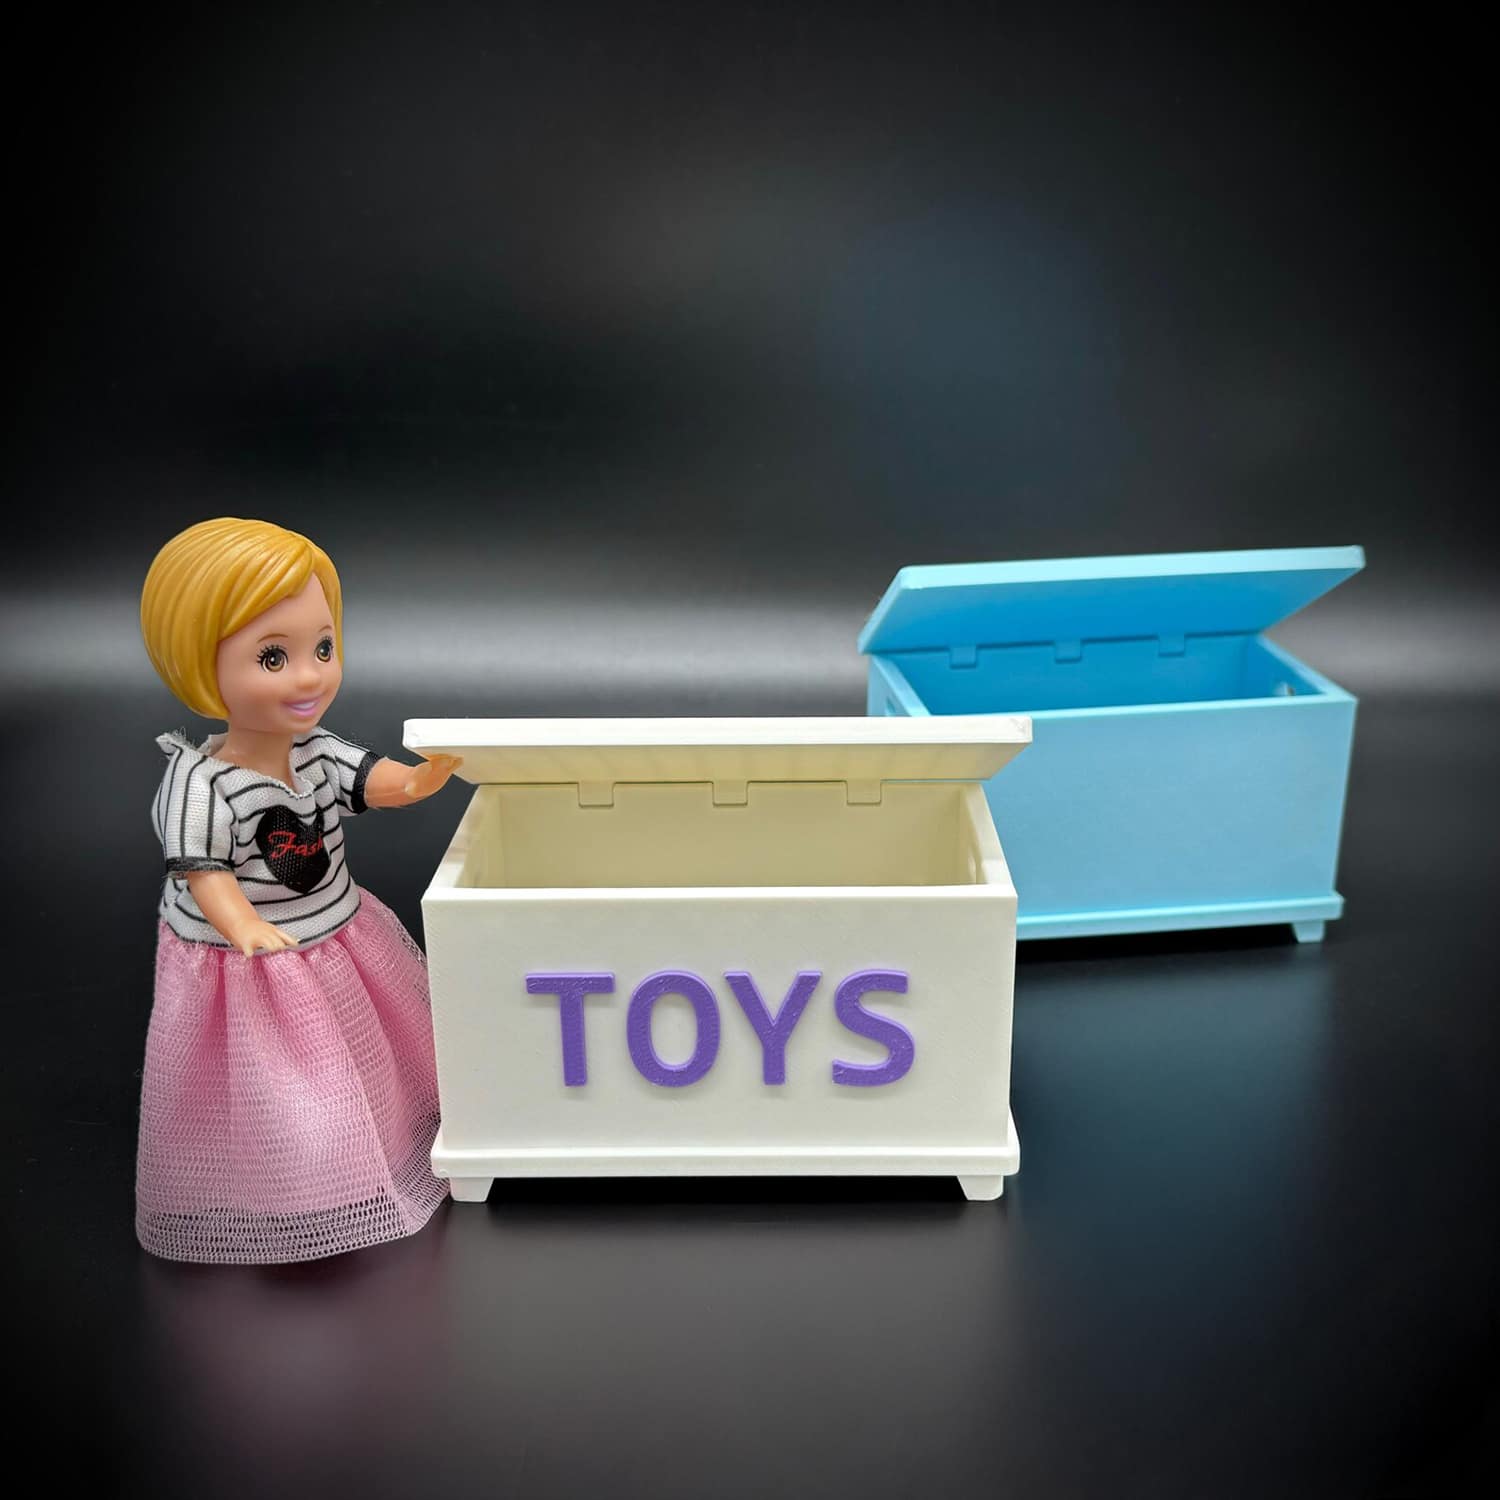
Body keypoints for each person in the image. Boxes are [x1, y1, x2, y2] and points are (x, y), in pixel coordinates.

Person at [137, 517, 461, 1264]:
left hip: (334, 930)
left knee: (367, 1052)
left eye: (323, 648)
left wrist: (416, 781)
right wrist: (243, 926)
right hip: (251, 963)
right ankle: (299, 1186)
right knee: (279, 1081)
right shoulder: (200, 784)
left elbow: (368, 780)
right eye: (272, 657)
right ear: (199, 666)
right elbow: (203, 871)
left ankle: (380, 1139)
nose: (310, 677)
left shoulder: (313, 749)